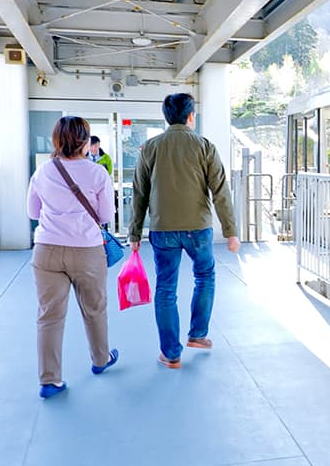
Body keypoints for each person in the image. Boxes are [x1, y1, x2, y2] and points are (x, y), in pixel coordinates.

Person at [129, 93, 240, 369]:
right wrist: (231, 231)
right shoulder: (204, 146)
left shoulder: (150, 148)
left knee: (165, 288)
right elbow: (221, 191)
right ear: (191, 116)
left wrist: (134, 234)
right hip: (197, 229)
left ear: (166, 117)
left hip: (162, 229)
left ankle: (171, 353)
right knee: (204, 276)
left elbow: (140, 192)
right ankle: (198, 335)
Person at [27, 116, 119, 399]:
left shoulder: (43, 171)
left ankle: (49, 380)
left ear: (56, 140)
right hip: (87, 250)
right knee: (94, 309)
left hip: (47, 250)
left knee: (49, 316)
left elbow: (32, 212)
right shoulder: (97, 173)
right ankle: (100, 360)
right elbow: (105, 216)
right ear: (85, 141)